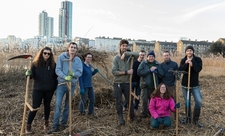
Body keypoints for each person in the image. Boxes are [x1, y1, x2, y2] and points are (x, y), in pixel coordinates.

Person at [48, 42, 83, 133]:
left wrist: (73, 74)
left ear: (76, 50)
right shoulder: (62, 57)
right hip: (62, 84)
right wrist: (65, 77)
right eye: (71, 47)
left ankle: (63, 123)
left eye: (75, 48)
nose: (73, 49)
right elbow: (58, 70)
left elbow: (80, 72)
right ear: (68, 48)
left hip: (72, 85)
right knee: (58, 104)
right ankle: (55, 125)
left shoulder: (78, 60)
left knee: (67, 105)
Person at [25, 47, 58, 133]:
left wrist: (54, 87)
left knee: (47, 106)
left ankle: (46, 123)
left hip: (49, 90)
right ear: (41, 53)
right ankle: (28, 126)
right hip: (38, 89)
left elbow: (56, 78)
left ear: (50, 55)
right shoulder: (35, 64)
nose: (46, 55)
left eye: (48, 53)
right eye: (45, 53)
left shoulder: (53, 65)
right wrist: (28, 74)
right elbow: (31, 76)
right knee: (35, 107)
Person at [111, 39, 139, 125]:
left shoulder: (130, 57)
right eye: (123, 46)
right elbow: (114, 72)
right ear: (120, 46)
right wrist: (127, 72)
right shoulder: (116, 58)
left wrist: (126, 53)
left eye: (126, 46)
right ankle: (120, 117)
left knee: (130, 99)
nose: (125, 47)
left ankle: (131, 115)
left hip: (127, 83)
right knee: (119, 100)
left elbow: (137, 54)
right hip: (118, 83)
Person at [179, 45, 203, 127]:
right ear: (185, 52)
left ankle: (195, 120)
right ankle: (187, 118)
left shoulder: (198, 59)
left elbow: (198, 69)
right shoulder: (183, 60)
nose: (189, 52)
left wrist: (192, 63)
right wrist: (186, 64)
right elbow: (181, 70)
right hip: (185, 86)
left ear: (193, 52)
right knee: (187, 102)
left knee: (199, 101)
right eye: (187, 50)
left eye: (190, 50)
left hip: (195, 85)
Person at [137, 51, 163, 118]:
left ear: (154, 57)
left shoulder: (157, 64)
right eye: (149, 56)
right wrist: (149, 70)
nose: (151, 58)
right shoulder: (143, 63)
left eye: (152, 56)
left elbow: (162, 74)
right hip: (145, 85)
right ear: (147, 57)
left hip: (154, 87)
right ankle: (143, 114)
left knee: (153, 101)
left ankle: (152, 113)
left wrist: (157, 70)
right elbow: (139, 72)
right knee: (144, 101)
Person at [123, 50, 146, 115]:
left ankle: (135, 108)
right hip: (132, 81)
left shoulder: (144, 63)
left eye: (143, 55)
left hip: (139, 82)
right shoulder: (134, 62)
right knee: (129, 95)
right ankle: (125, 106)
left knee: (137, 95)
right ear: (139, 55)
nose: (142, 56)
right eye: (141, 55)